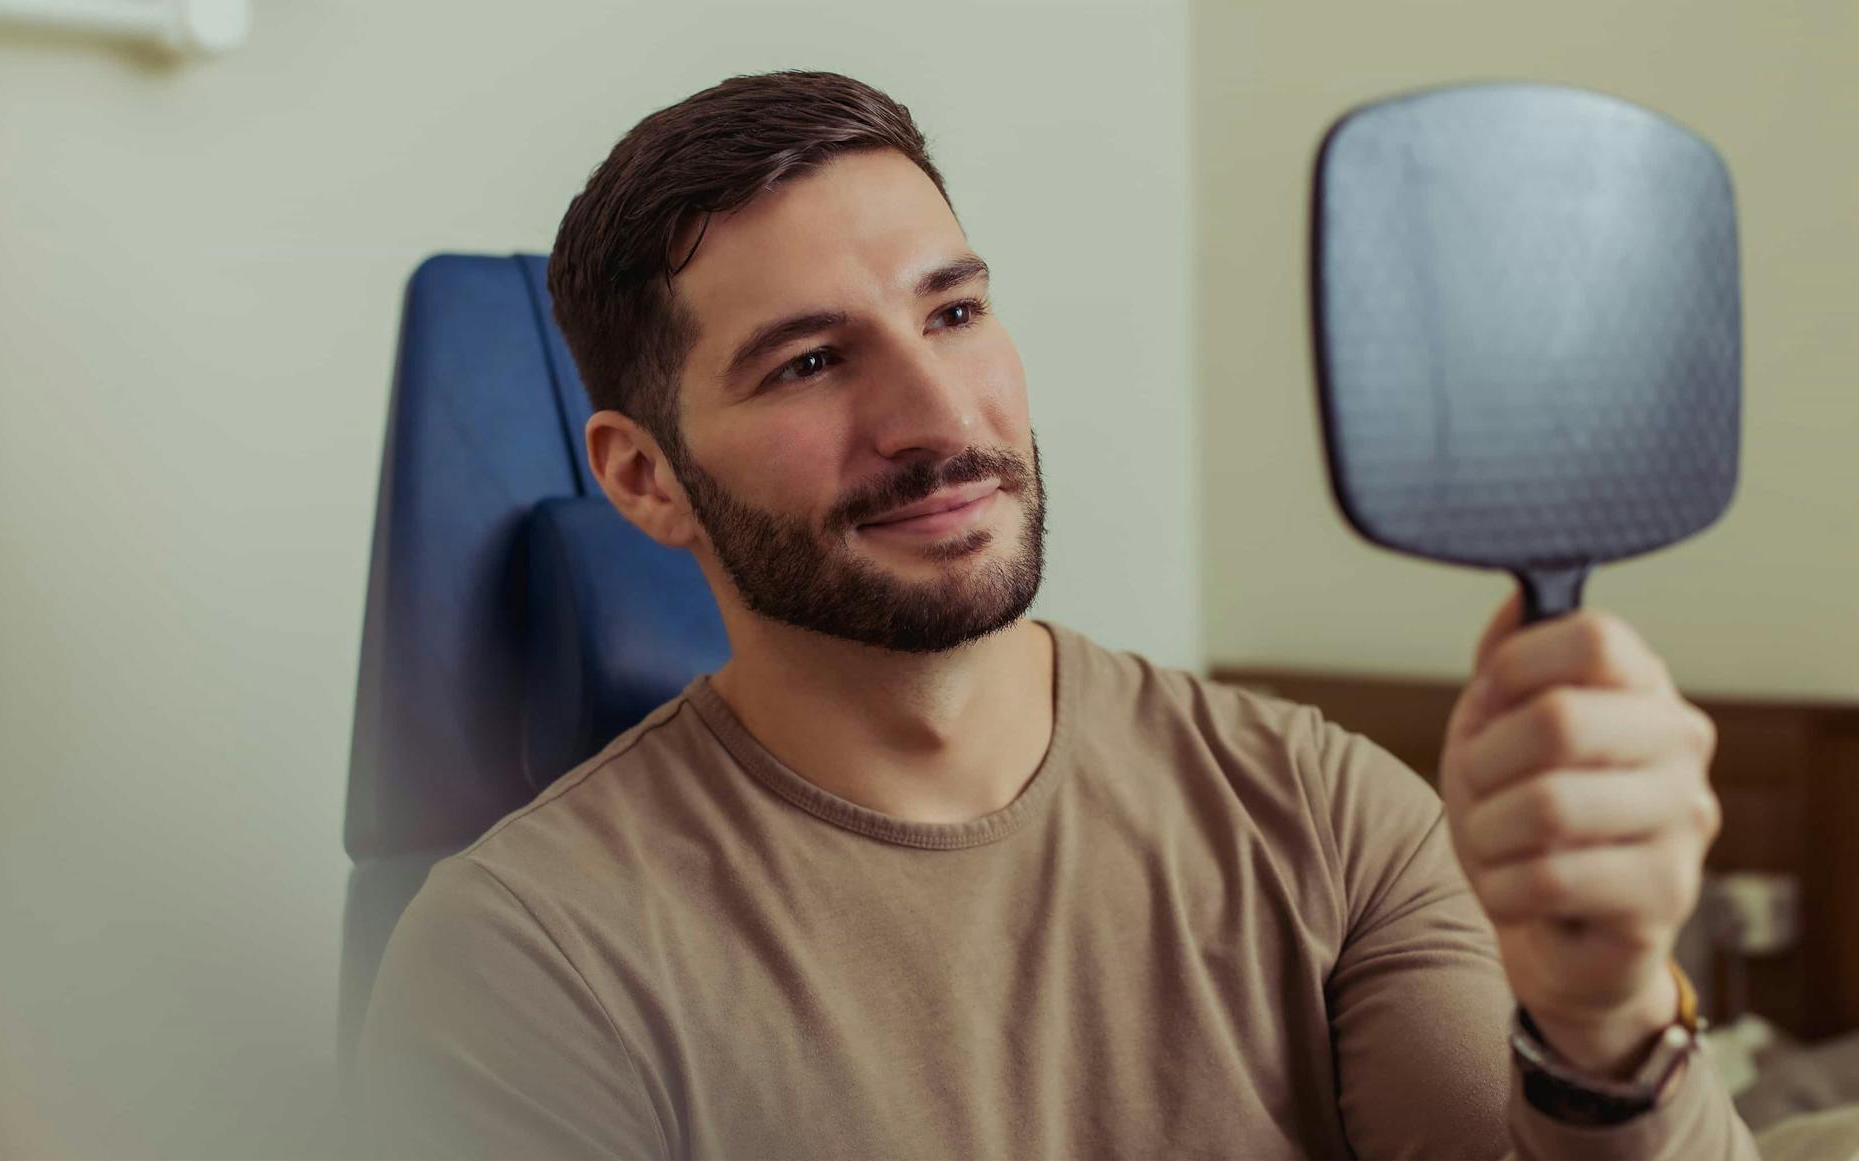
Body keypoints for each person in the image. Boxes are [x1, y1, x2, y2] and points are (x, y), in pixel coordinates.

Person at [357, 70, 1759, 1160]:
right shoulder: (525, 959)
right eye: (808, 362)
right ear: (645, 477)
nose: (938, 417)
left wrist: (1607, 1015)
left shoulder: (1323, 814)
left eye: (954, 315)